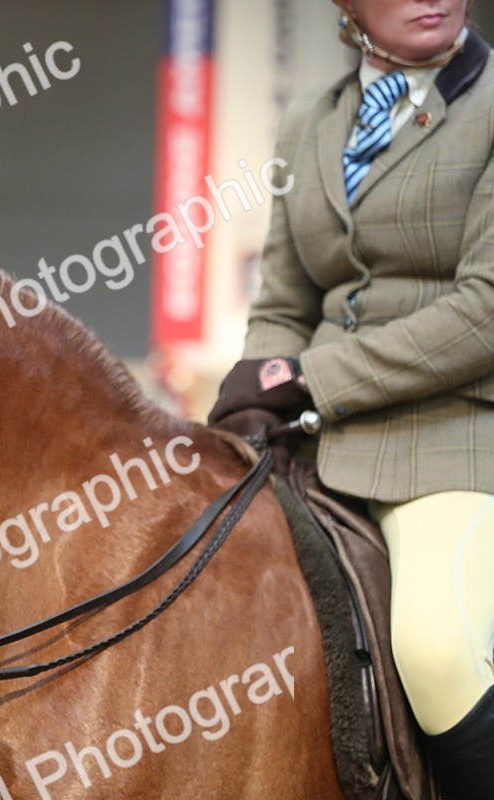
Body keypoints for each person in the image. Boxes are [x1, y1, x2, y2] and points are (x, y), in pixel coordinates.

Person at [207, 2, 494, 797]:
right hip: (314, 437)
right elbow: (284, 299)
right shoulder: (310, 122)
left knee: (436, 650)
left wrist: (306, 380)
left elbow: (486, 310)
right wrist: (251, 393)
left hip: (457, 435)